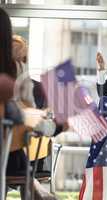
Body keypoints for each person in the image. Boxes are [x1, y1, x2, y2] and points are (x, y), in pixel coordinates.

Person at [0, 8, 57, 200]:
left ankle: (34, 186)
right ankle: (34, 187)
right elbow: (37, 123)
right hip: (14, 155)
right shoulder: (16, 83)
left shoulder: (33, 86)